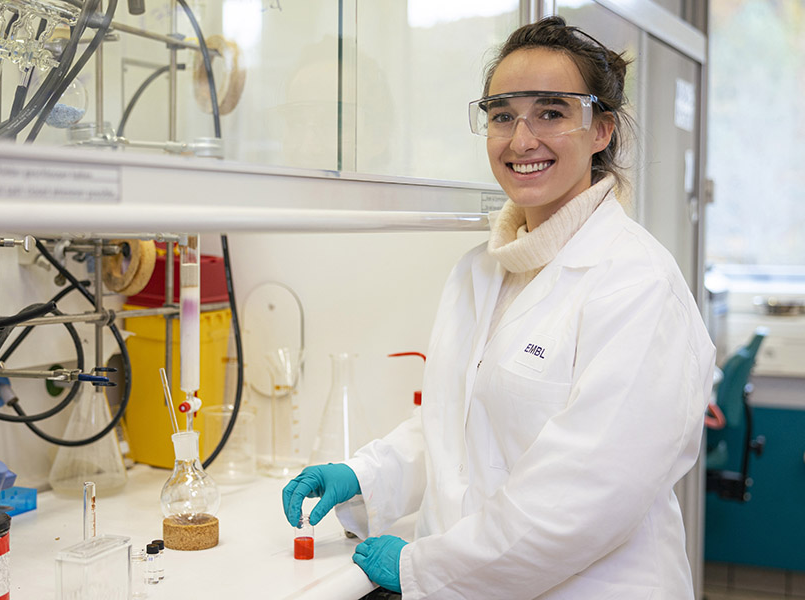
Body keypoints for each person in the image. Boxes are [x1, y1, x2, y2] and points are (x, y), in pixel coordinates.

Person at [282, 16, 715, 599]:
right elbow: (459, 423)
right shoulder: (481, 271)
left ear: (601, 131)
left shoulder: (637, 284)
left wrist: (427, 569)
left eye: (552, 113)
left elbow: (578, 500)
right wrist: (364, 475)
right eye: (502, 114)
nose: (521, 139)